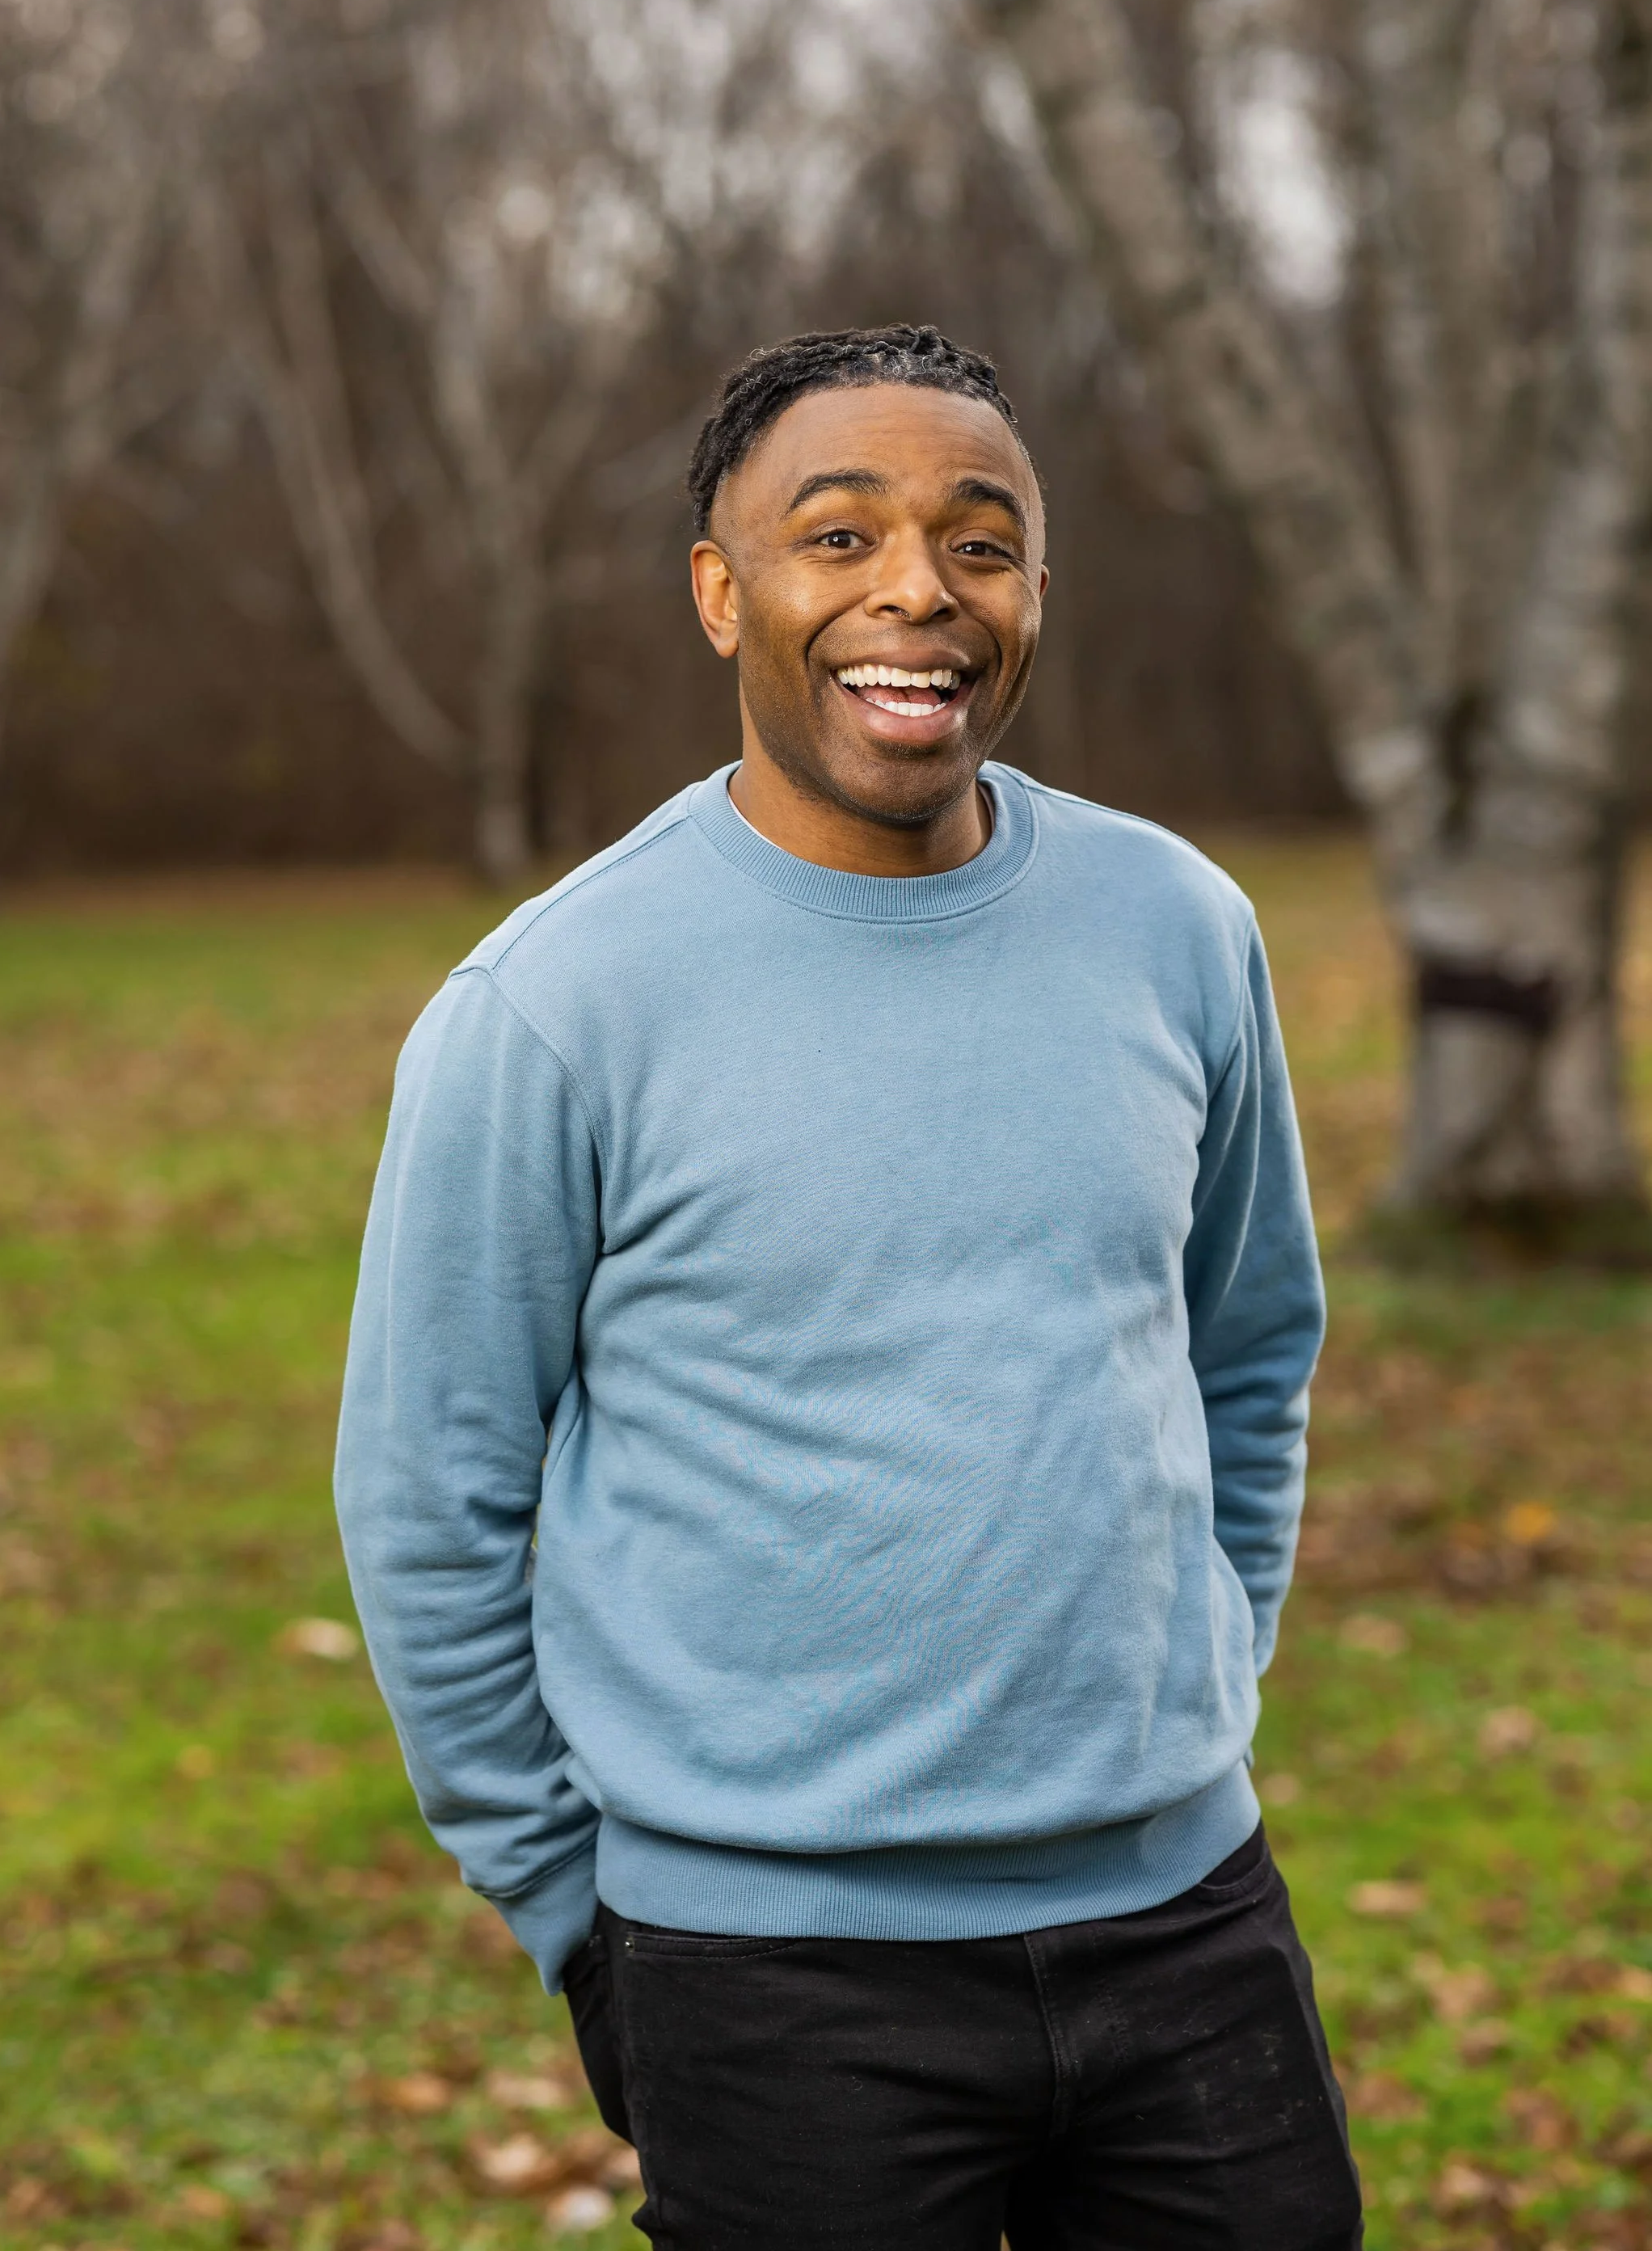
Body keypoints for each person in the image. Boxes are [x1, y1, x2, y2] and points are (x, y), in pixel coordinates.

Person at [335, 323, 1362, 2249]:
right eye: (839, 535)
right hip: (767, 1975)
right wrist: (573, 1906)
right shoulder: (555, 1008)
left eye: (981, 541)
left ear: (1034, 593)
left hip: (1188, 1926)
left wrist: (1198, 1688)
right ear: (724, 593)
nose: (917, 591)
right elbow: (428, 1495)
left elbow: (1250, 1350)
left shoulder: (1179, 928)